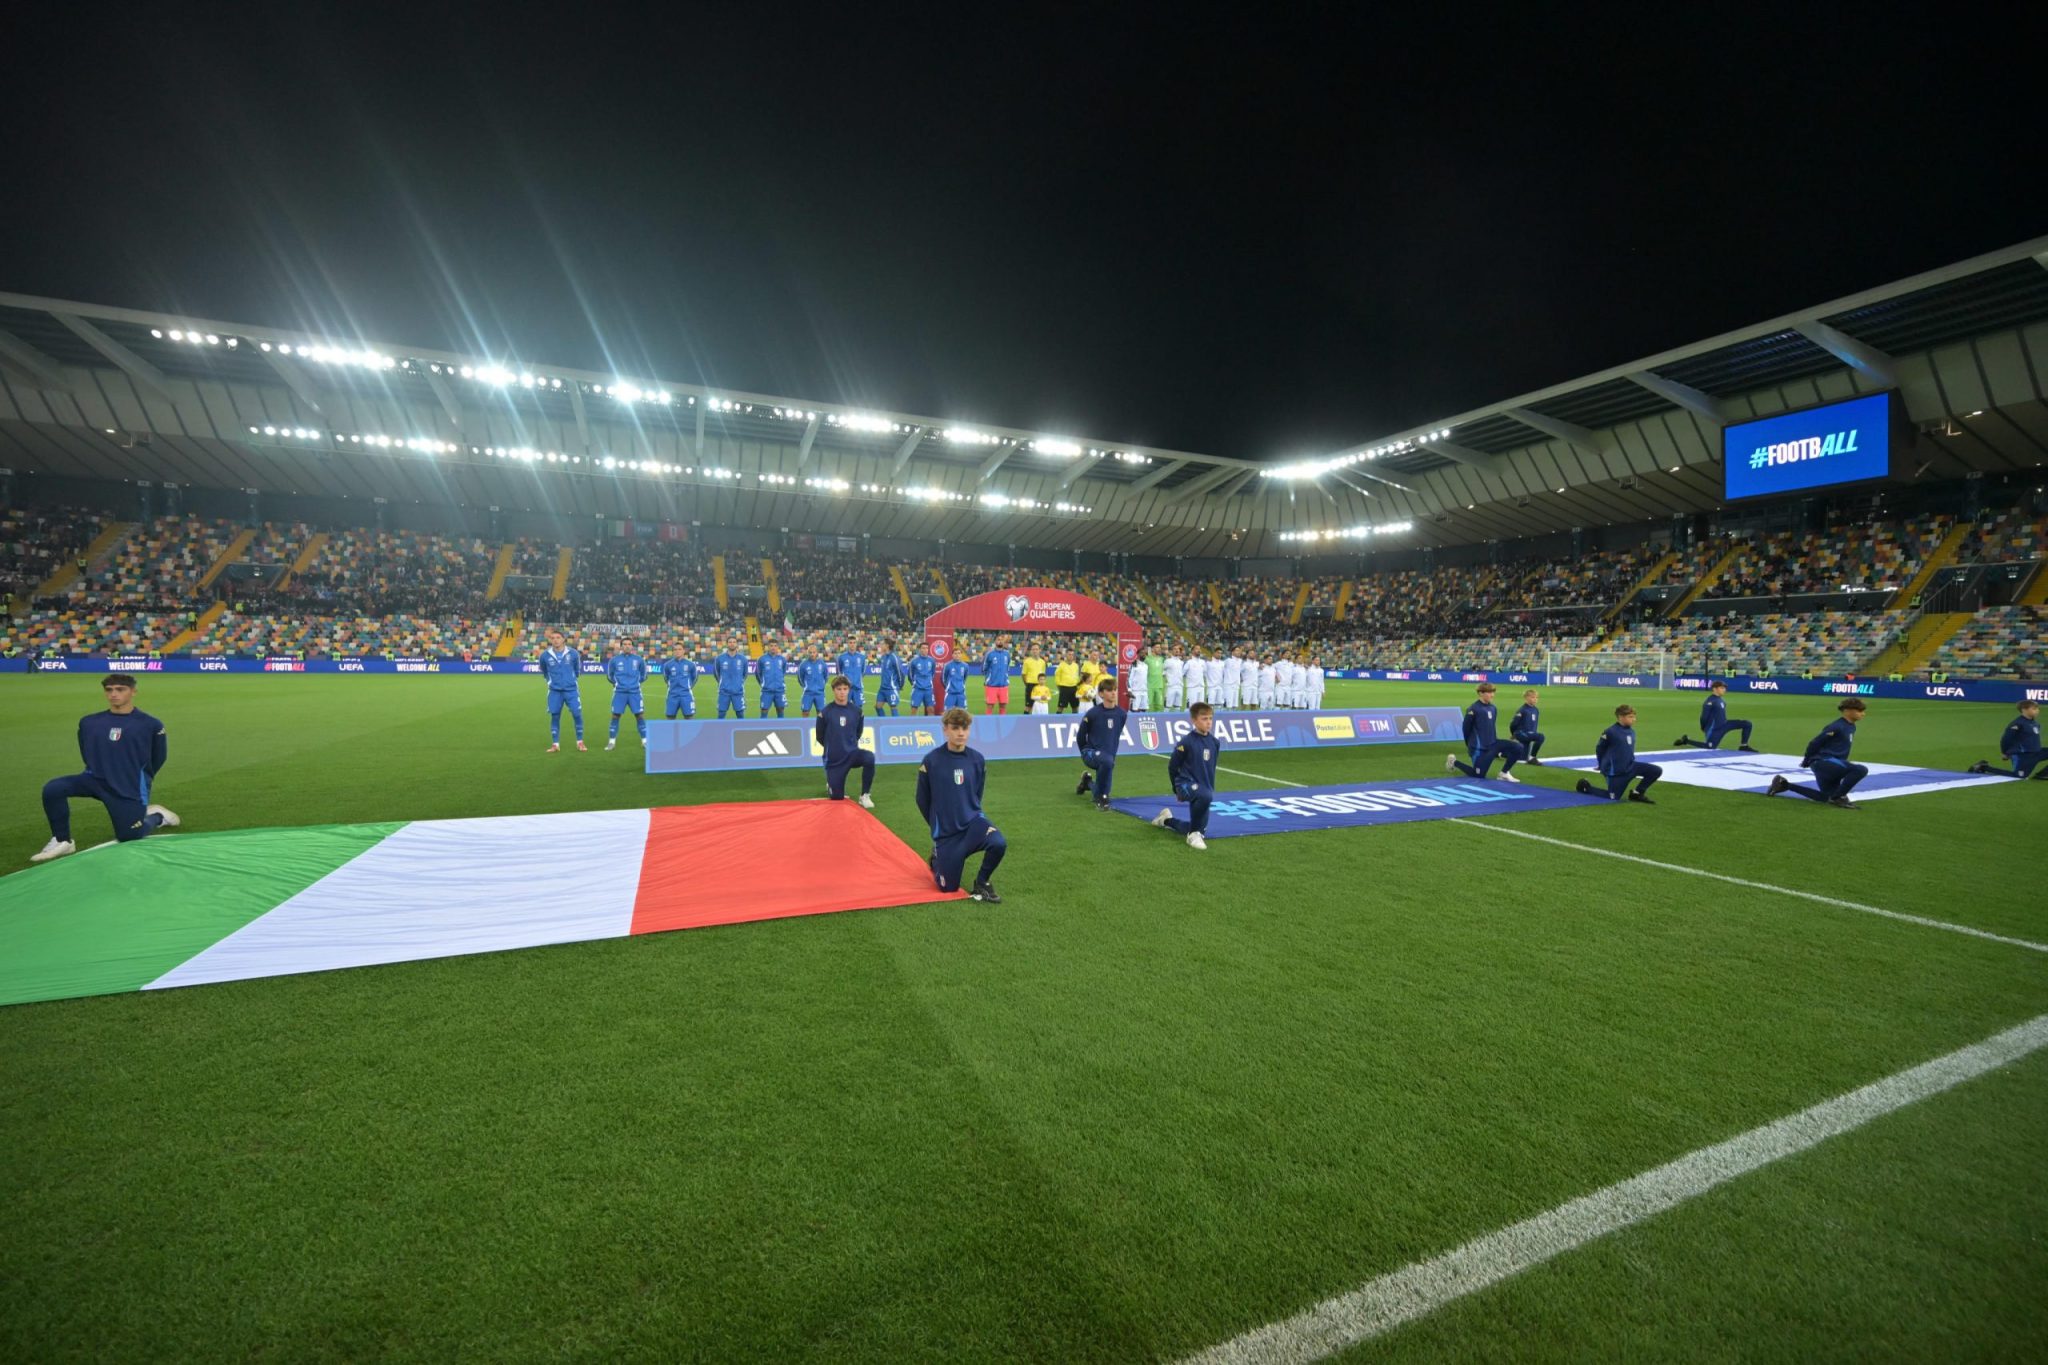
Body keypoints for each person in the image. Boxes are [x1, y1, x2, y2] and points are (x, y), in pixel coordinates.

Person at [31, 673, 179, 862]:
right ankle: (63, 841)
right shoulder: (89, 722)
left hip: (127, 787)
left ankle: (157, 816)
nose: (113, 694)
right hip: (94, 780)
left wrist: (138, 778)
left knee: (129, 835)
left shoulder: (150, 724)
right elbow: (85, 750)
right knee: (53, 789)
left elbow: (159, 757)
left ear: (133, 692)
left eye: (120, 689)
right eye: (109, 690)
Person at [915, 707, 1006, 902]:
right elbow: (922, 799)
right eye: (955, 728)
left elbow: (977, 794)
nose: (961, 733)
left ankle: (982, 882)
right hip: (947, 833)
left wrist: (971, 812)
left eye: (965, 728)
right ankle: (938, 857)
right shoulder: (932, 761)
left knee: (998, 843)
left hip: (973, 823)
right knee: (948, 888)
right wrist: (936, 824)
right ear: (945, 730)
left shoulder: (977, 759)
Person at [1768, 699, 1870, 808]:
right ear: (1847, 711)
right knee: (1860, 769)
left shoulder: (1851, 726)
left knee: (1826, 797)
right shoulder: (1836, 726)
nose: (1863, 714)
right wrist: (1807, 760)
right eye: (1859, 711)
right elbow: (1815, 743)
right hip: (1823, 762)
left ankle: (1783, 784)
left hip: (1832, 763)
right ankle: (1838, 797)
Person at [1151, 701, 1219, 850]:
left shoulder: (1215, 742)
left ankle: (1166, 820)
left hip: (1204, 789)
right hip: (1184, 784)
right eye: (1204, 719)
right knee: (1205, 798)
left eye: (1210, 718)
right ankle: (1193, 836)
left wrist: (1209, 788)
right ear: (1194, 720)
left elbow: (1211, 768)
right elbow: (1173, 766)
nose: (1208, 722)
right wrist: (1176, 789)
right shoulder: (1186, 742)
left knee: (1199, 829)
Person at [1575, 704, 1663, 804]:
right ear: (1621, 717)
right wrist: (1601, 764)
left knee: (1656, 771)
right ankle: (1585, 787)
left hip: (1630, 767)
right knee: (1613, 797)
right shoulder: (1610, 732)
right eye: (1630, 717)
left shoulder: (1631, 731)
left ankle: (1637, 793)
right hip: (1616, 772)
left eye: (1634, 717)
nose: (1634, 719)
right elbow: (1600, 748)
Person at [816, 675, 876, 808]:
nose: (842, 692)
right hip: (835, 759)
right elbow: (820, 736)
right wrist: (833, 747)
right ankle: (831, 784)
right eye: (839, 689)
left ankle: (865, 795)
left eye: (845, 689)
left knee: (869, 757)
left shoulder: (857, 711)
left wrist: (849, 745)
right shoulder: (825, 712)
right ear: (833, 690)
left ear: (849, 690)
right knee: (837, 798)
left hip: (852, 754)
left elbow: (858, 732)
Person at [1446, 682, 1525, 781]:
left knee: (1518, 747)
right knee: (1479, 775)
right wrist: (1470, 746)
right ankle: (1454, 762)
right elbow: (1466, 729)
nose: (1492, 695)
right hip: (1480, 748)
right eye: (1489, 692)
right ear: (1480, 693)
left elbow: (1491, 726)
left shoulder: (1493, 708)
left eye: (1493, 692)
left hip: (1494, 744)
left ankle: (1504, 773)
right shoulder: (1473, 709)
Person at [1075, 680, 1129, 811]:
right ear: (1101, 694)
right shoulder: (1093, 713)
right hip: (1090, 753)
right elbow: (1080, 736)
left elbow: (1114, 736)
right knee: (1107, 762)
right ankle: (1102, 799)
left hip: (1109, 757)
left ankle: (1087, 782)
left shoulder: (1122, 714)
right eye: (1109, 690)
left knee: (1100, 788)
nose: (1113, 693)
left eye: (1115, 690)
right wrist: (1084, 752)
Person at [1970, 700, 2047, 779]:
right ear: (2024, 710)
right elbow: (2006, 739)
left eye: (2037, 709)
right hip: (2023, 755)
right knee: (2019, 776)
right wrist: (2005, 753)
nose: (2037, 711)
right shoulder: (2017, 724)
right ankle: (1983, 767)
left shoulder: (2035, 723)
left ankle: (2043, 774)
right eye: (2034, 709)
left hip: (2036, 752)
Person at [1674, 681, 1758, 751]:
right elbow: (1703, 716)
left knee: (1747, 724)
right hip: (1715, 729)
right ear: (1714, 689)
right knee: (1710, 747)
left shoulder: (1720, 700)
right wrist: (1703, 727)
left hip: (1725, 724)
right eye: (1722, 688)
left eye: (1724, 688)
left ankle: (1743, 746)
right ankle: (1686, 740)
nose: (1724, 690)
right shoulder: (1710, 701)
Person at [539, 627, 587, 752]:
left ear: (563, 639)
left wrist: (571, 680)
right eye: (553, 638)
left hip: (571, 690)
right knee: (555, 716)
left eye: (558, 638)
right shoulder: (545, 655)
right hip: (554, 691)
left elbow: (577, 670)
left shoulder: (573, 653)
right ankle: (555, 744)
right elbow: (544, 670)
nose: (555, 640)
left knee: (577, 713)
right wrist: (550, 681)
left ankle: (580, 742)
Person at [603, 638, 649, 750]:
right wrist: (617, 683)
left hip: (635, 692)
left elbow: (644, 675)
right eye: (625, 644)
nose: (627, 646)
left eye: (629, 644)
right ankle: (611, 742)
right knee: (615, 716)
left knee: (640, 715)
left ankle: (645, 741)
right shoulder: (614, 660)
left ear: (632, 646)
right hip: (619, 692)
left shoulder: (639, 660)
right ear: (621, 646)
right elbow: (610, 675)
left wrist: (636, 683)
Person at [713, 642, 748, 719]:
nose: (732, 644)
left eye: (734, 642)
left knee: (740, 714)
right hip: (724, 691)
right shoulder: (720, 658)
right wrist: (722, 682)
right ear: (727, 644)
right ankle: (720, 727)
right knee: (721, 714)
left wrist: (738, 683)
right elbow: (716, 673)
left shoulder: (743, 659)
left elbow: (745, 674)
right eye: (730, 642)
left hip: (738, 692)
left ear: (736, 644)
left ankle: (741, 727)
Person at [661, 650, 700, 719]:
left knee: (689, 717)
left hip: (686, 695)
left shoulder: (690, 664)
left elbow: (695, 677)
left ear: (683, 651)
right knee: (670, 717)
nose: (677, 651)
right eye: (675, 649)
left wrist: (688, 686)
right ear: (673, 652)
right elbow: (666, 678)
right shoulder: (667, 665)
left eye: (679, 649)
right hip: (672, 695)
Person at [1510, 688, 1544, 764]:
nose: (1535, 699)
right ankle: (1532, 758)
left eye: (1536, 697)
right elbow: (1513, 724)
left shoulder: (1536, 710)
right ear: (1526, 698)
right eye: (1533, 697)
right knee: (1541, 737)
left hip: (1528, 735)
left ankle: (1500, 753)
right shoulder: (1522, 710)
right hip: (1521, 733)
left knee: (1522, 758)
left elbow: (1534, 723)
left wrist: (1533, 733)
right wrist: (1513, 734)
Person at [756, 643, 790, 718]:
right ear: (768, 647)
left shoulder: (782, 659)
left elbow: (783, 672)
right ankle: (762, 725)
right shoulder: (762, 659)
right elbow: (758, 673)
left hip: (780, 690)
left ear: (778, 647)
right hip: (766, 690)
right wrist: (762, 684)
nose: (773, 647)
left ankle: (780, 725)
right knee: (764, 710)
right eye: (771, 646)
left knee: (780, 709)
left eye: (775, 646)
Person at [982, 636, 1013, 714]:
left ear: (1004, 642)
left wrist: (1005, 678)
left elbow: (1007, 667)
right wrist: (989, 678)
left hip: (1004, 685)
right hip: (991, 685)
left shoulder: (1007, 654)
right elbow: (984, 668)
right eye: (998, 640)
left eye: (1002, 640)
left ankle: (1002, 721)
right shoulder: (989, 654)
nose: (1000, 641)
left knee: (1003, 706)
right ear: (995, 641)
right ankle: (988, 721)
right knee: (990, 706)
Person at [873, 638, 904, 717]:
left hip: (891, 688)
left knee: (893, 707)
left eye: (882, 644)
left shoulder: (894, 657)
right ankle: (884, 722)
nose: (881, 646)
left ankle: (896, 724)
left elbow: (900, 672)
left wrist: (900, 686)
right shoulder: (884, 657)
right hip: (882, 688)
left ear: (887, 645)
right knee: (878, 706)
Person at [907, 643, 938, 715]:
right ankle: (913, 723)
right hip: (917, 689)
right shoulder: (914, 661)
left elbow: (933, 673)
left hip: (928, 689)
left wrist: (928, 682)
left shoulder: (932, 660)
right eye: (923, 648)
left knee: (931, 709)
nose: (925, 650)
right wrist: (914, 683)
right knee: (914, 709)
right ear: (920, 649)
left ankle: (930, 723)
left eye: (926, 648)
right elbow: (910, 675)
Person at [835, 643, 868, 709]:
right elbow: (838, 672)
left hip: (858, 688)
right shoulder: (842, 657)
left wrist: (857, 680)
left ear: (856, 644)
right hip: (846, 687)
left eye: (854, 643)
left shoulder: (862, 657)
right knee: (844, 707)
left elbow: (863, 672)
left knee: (859, 708)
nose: (852, 644)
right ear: (848, 644)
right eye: (850, 643)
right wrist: (844, 682)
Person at [798, 652, 830, 717]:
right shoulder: (803, 664)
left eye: (813, 652)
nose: (812, 654)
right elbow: (800, 677)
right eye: (810, 652)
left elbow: (826, 676)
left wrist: (821, 686)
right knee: (805, 712)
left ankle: (820, 724)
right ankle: (805, 724)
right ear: (808, 653)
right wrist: (805, 686)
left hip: (820, 693)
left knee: (821, 713)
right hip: (808, 693)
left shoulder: (822, 664)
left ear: (816, 653)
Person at [1126, 649, 1150, 713]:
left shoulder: (1146, 666)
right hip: (1136, 691)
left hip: (1144, 691)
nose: (1144, 654)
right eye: (1142, 653)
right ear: (1138, 654)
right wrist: (1129, 690)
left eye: (1145, 653)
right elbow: (1129, 678)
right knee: (1134, 710)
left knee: (1144, 710)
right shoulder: (1134, 664)